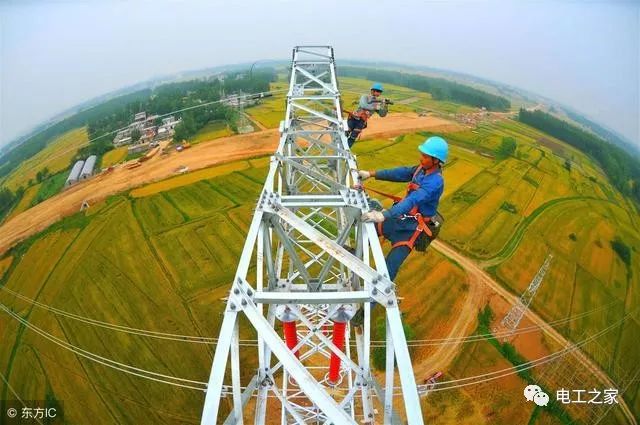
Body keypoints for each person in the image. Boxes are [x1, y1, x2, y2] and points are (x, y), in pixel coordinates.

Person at [358, 136, 448, 281]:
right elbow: (399, 173)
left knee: (388, 270)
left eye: (425, 156)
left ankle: (370, 301)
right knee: (367, 232)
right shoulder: (420, 170)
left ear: (436, 160)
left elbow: (413, 200)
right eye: (422, 155)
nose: (421, 158)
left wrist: (385, 214)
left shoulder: (436, 182)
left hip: (411, 230)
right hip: (400, 217)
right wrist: (371, 173)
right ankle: (354, 254)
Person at [345, 83, 389, 148]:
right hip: (353, 118)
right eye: (377, 91)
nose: (378, 93)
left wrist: (385, 105)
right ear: (372, 91)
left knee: (353, 137)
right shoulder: (365, 97)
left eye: (380, 92)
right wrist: (376, 106)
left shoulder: (377, 103)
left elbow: (382, 114)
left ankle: (346, 149)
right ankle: (339, 145)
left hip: (361, 121)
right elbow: (364, 105)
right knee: (346, 132)